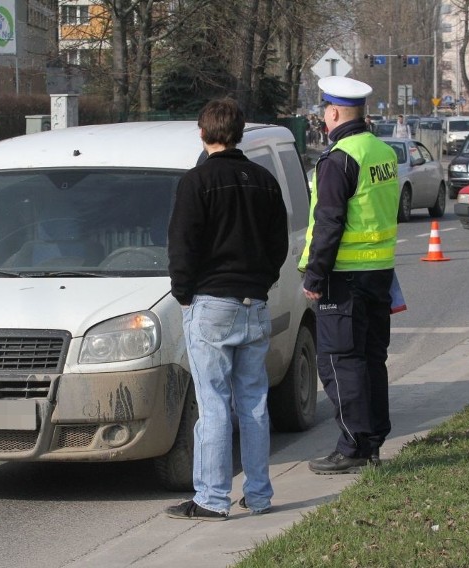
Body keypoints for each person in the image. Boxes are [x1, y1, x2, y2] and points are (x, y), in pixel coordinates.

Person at [165, 98, 289, 520]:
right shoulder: (264, 181)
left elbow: (182, 245)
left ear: (203, 133)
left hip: (211, 301)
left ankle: (212, 498)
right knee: (253, 402)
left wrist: (184, 294)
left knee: (213, 403)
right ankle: (258, 495)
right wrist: (262, 281)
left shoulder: (195, 182)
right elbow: (279, 245)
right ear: (239, 134)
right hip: (254, 303)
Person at [299, 76, 400, 474]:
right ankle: (373, 441)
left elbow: (329, 224)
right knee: (372, 359)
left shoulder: (339, 159)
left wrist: (314, 276)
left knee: (340, 362)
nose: (324, 116)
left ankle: (352, 446)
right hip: (380, 272)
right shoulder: (382, 152)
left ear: (335, 113)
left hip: (344, 276)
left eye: (325, 109)